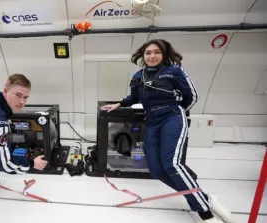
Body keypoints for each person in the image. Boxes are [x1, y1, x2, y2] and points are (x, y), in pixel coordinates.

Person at [100, 39, 235, 223]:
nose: (152, 56)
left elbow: (191, 96)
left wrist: (178, 112)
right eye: (148, 53)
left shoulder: (174, 71)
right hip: (152, 121)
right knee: (156, 170)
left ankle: (204, 212)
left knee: (172, 163)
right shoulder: (138, 76)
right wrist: (120, 104)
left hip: (172, 116)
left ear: (163, 54)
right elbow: (133, 97)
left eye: (156, 52)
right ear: (143, 55)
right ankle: (206, 197)